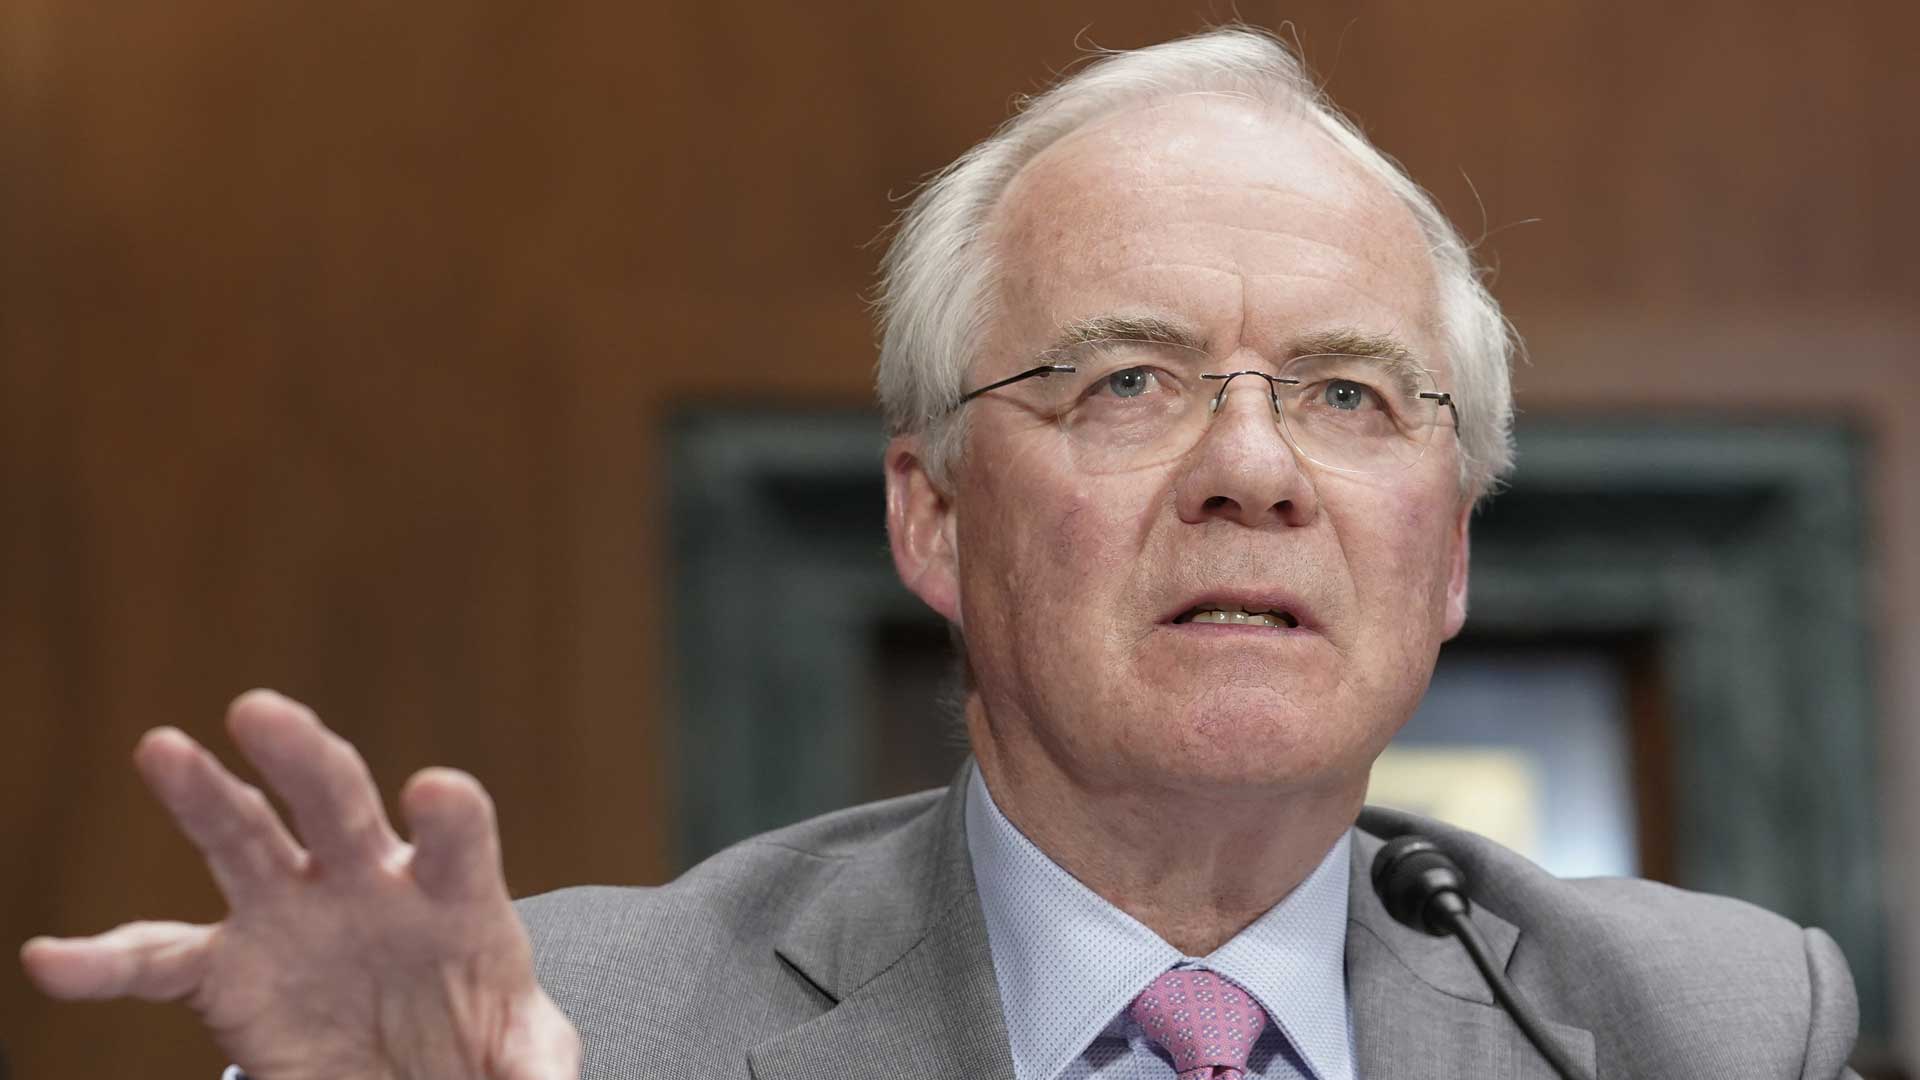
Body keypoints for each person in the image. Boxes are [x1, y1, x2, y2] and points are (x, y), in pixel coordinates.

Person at [19, 27, 1860, 1080]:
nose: (1252, 469)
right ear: (932, 515)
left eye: (1353, 397)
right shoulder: (577, 1030)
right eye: (1129, 380)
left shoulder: (1697, 1025)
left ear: (1449, 553)